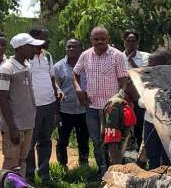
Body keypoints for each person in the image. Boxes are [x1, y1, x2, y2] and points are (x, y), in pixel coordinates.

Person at [73, 27, 129, 175]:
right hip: (91, 107)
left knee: (112, 142)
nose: (100, 42)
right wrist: (79, 90)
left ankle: (114, 172)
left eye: (103, 39)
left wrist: (117, 100)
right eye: (96, 39)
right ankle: (102, 172)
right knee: (97, 141)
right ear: (91, 40)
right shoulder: (85, 55)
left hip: (111, 108)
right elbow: (75, 74)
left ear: (108, 39)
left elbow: (124, 80)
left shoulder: (117, 55)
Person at [0, 34, 41, 174]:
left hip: (27, 122)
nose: (35, 49)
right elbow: (3, 99)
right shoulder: (6, 69)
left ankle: (20, 186)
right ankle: (7, 187)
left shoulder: (27, 66)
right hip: (14, 125)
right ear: (20, 48)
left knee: (22, 160)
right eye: (31, 46)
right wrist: (12, 127)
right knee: (11, 162)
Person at [24, 27, 60, 184]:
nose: (48, 40)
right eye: (45, 37)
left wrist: (57, 91)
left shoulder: (48, 56)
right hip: (32, 107)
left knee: (45, 140)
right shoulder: (26, 58)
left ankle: (44, 175)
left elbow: (52, 78)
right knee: (29, 142)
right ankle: (29, 176)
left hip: (49, 104)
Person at [52, 38, 90, 170]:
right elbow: (56, 87)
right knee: (62, 140)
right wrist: (56, 113)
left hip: (84, 110)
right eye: (68, 47)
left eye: (74, 46)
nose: (71, 49)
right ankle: (62, 167)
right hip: (65, 110)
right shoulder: (58, 67)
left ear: (81, 49)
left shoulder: (87, 66)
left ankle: (84, 166)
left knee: (83, 139)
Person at [139, 49, 171, 170]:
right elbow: (141, 102)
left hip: (166, 123)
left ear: (162, 64)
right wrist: (149, 101)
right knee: (152, 153)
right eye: (149, 63)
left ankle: (165, 177)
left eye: (152, 64)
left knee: (166, 155)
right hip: (150, 121)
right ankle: (153, 175)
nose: (149, 66)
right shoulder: (147, 79)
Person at [100, 88, 137, 167]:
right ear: (129, 85)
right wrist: (117, 166)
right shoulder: (116, 104)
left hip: (127, 154)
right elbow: (111, 140)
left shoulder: (128, 102)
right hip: (118, 158)